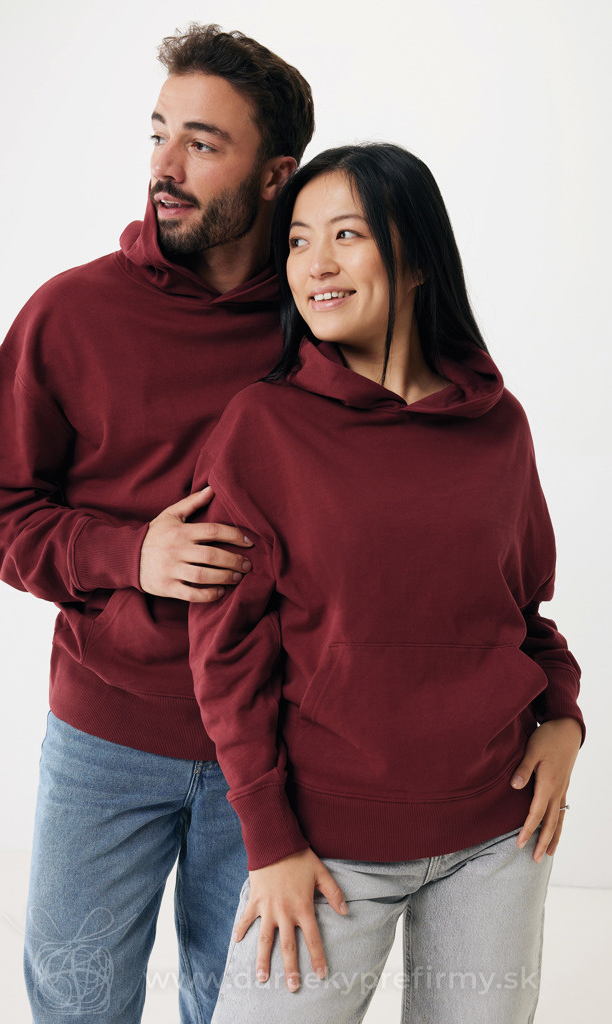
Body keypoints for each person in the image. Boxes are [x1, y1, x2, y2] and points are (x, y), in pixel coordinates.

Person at [0, 24, 314, 1024]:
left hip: (281, 741)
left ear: (276, 175)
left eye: (203, 143)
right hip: (106, 734)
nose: (165, 166)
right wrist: (130, 553)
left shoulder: (320, 322)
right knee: (77, 1003)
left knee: (243, 1008)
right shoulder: (70, 314)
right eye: (159, 134)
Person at [188, 143, 584, 1024]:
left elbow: (521, 614)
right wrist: (268, 840)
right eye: (297, 241)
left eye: (346, 235)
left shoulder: (498, 426)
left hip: (498, 836)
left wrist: (563, 716)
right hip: (324, 851)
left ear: (415, 259)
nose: (315, 265)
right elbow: (226, 655)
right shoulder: (263, 427)